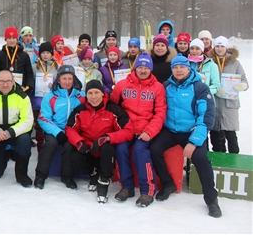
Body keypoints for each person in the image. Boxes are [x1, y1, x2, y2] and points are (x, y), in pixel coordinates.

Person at [149, 54, 222, 218]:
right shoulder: (166, 86)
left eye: (182, 67)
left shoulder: (200, 88)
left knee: (201, 159)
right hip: (170, 130)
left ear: (189, 68)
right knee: (153, 149)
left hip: (192, 131)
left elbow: (206, 118)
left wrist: (194, 142)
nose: (178, 70)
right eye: (175, 67)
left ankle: (211, 199)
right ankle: (168, 184)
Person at [110, 53, 166, 207]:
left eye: (146, 68)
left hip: (146, 129)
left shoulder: (158, 87)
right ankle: (126, 187)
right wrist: (118, 127)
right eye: (140, 67)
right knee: (120, 149)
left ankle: (147, 190)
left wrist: (149, 132)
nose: (142, 70)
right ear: (134, 68)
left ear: (151, 69)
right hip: (127, 128)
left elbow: (160, 113)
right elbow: (113, 107)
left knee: (139, 151)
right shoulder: (122, 85)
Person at [65, 80, 133, 203]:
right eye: (90, 93)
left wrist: (108, 137)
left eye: (97, 92)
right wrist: (79, 141)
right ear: (86, 95)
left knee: (107, 149)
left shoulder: (114, 109)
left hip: (104, 148)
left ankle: (103, 181)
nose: (94, 97)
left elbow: (128, 130)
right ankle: (93, 173)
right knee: (74, 156)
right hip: (88, 147)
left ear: (102, 94)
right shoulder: (80, 110)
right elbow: (70, 128)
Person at [35, 65, 84, 189]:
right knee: (50, 144)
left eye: (70, 79)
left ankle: (67, 177)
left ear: (74, 80)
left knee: (69, 146)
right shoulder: (50, 96)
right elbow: (43, 118)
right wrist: (57, 132)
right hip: (54, 129)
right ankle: (40, 175)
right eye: (64, 79)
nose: (67, 82)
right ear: (58, 80)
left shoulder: (81, 96)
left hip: (73, 130)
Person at [209, 36, 248, 154]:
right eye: (217, 46)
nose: (220, 49)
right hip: (214, 103)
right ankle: (219, 162)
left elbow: (244, 80)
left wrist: (241, 85)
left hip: (230, 104)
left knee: (231, 135)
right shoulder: (210, 62)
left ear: (227, 48)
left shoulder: (235, 63)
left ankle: (234, 162)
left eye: (222, 46)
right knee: (215, 135)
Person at [31, 41, 59, 151]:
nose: (45, 55)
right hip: (38, 102)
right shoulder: (34, 67)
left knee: (50, 125)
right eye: (43, 53)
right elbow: (31, 81)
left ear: (52, 53)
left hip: (52, 102)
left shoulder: (57, 67)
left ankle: (50, 149)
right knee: (38, 126)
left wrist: (55, 84)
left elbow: (61, 82)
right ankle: (40, 149)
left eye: (48, 52)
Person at [0, 27, 35, 93]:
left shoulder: (24, 55)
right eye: (9, 38)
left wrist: (28, 85)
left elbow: (29, 73)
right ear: (5, 39)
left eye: (14, 38)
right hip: (4, 89)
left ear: (17, 39)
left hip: (21, 89)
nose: (12, 41)